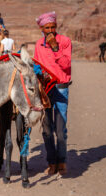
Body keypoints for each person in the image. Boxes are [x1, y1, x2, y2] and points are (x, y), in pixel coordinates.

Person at [34, 11, 72, 175]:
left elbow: (66, 65)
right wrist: (40, 74)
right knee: (47, 128)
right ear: (42, 28)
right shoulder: (38, 45)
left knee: (60, 128)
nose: (50, 30)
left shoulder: (65, 42)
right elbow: (36, 65)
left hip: (61, 88)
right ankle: (52, 162)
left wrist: (55, 47)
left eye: (53, 27)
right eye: (47, 28)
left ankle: (62, 160)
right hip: (46, 89)